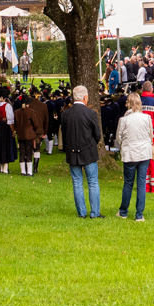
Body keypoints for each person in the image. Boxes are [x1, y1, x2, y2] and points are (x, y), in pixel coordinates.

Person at [60, 84, 103, 218]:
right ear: (85, 97)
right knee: (93, 182)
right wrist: (92, 143)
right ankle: (94, 212)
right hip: (88, 150)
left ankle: (81, 212)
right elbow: (97, 134)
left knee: (77, 182)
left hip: (72, 150)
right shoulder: (91, 113)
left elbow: (64, 133)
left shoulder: (66, 114)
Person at [115, 91, 154, 220]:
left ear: (128, 104)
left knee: (128, 183)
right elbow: (150, 135)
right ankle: (139, 215)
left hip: (130, 153)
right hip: (144, 153)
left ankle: (123, 212)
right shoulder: (147, 118)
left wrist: (123, 145)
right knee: (141, 184)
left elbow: (118, 137)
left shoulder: (124, 120)